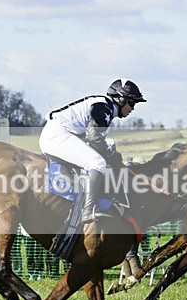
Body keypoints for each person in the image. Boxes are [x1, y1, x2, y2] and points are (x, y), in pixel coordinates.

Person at [39, 78, 146, 223]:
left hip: (64, 133)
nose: (132, 109)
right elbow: (94, 138)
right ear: (121, 99)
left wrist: (112, 154)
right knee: (97, 163)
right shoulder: (103, 106)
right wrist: (111, 154)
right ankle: (88, 210)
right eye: (131, 103)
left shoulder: (106, 108)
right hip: (58, 135)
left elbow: (96, 140)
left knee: (99, 159)